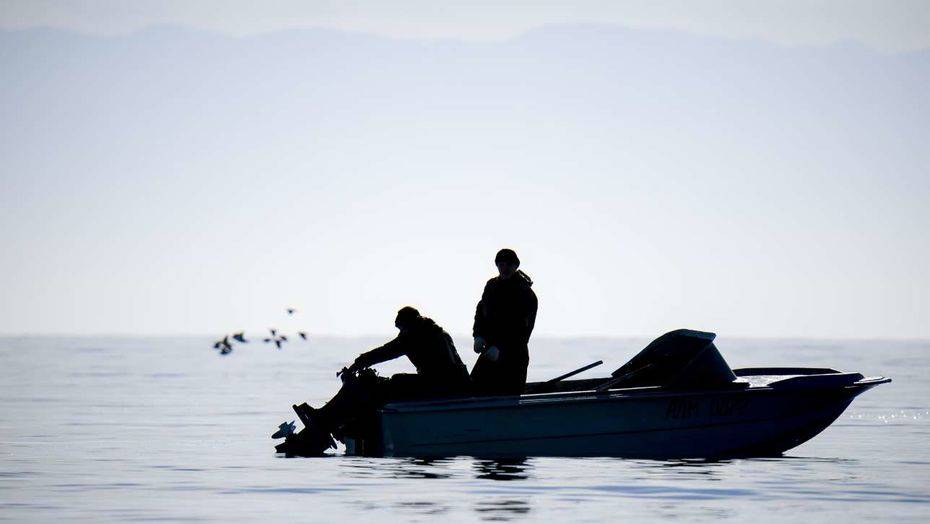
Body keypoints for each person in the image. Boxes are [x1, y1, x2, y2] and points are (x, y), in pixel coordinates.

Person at [280, 306, 470, 456]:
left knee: (371, 384)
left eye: (401, 329)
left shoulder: (417, 334)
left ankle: (325, 418)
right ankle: (325, 417)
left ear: (408, 324)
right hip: (444, 383)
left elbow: (387, 351)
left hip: (442, 387)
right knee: (373, 383)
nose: (400, 333)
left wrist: (358, 363)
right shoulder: (432, 331)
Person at [471, 248, 538, 395]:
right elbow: (481, 311)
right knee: (472, 390)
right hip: (489, 351)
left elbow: (522, 330)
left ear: (515, 266)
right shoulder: (491, 286)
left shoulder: (525, 294)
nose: (504, 268)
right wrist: (478, 335)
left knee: (508, 396)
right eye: (501, 264)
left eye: (508, 264)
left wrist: (502, 348)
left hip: (513, 356)